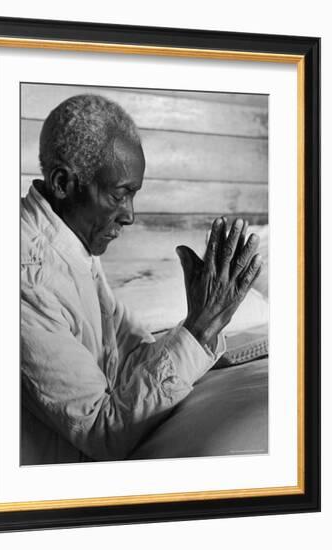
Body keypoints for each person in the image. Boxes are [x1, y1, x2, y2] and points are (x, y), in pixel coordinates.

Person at [21, 94, 262, 464]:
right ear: (63, 182)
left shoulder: (70, 240)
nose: (129, 216)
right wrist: (198, 329)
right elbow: (103, 431)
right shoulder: (28, 278)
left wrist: (203, 328)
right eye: (120, 195)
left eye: (133, 194)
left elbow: (129, 361)